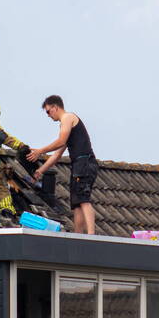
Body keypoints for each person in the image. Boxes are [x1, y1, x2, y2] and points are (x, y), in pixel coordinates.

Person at [26, 95, 98, 235]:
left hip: (84, 163)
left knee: (83, 199)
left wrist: (40, 151)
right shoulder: (66, 125)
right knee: (77, 203)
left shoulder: (67, 118)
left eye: (48, 111)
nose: (48, 115)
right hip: (78, 165)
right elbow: (57, 154)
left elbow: (61, 141)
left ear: (55, 107)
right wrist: (40, 171)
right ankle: (78, 235)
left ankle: (91, 235)